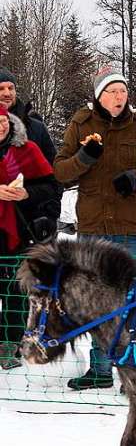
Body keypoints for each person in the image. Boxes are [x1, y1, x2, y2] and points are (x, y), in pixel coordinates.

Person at [53, 65, 136, 390]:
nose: (119, 97)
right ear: (99, 96)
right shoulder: (81, 123)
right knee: (96, 297)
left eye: (122, 91)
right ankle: (100, 369)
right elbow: (60, 171)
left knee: (127, 298)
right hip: (92, 226)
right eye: (112, 92)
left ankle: (130, 372)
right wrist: (85, 157)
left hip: (130, 225)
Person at [0, 105, 61, 368]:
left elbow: (50, 185)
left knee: (14, 288)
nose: (1, 126)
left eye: (3, 120)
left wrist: (26, 194)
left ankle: (9, 341)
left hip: (19, 230)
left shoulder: (26, 150)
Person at [0, 67, 58, 164]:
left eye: (11, 88)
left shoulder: (36, 128)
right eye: (1, 88)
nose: (7, 93)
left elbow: (54, 168)